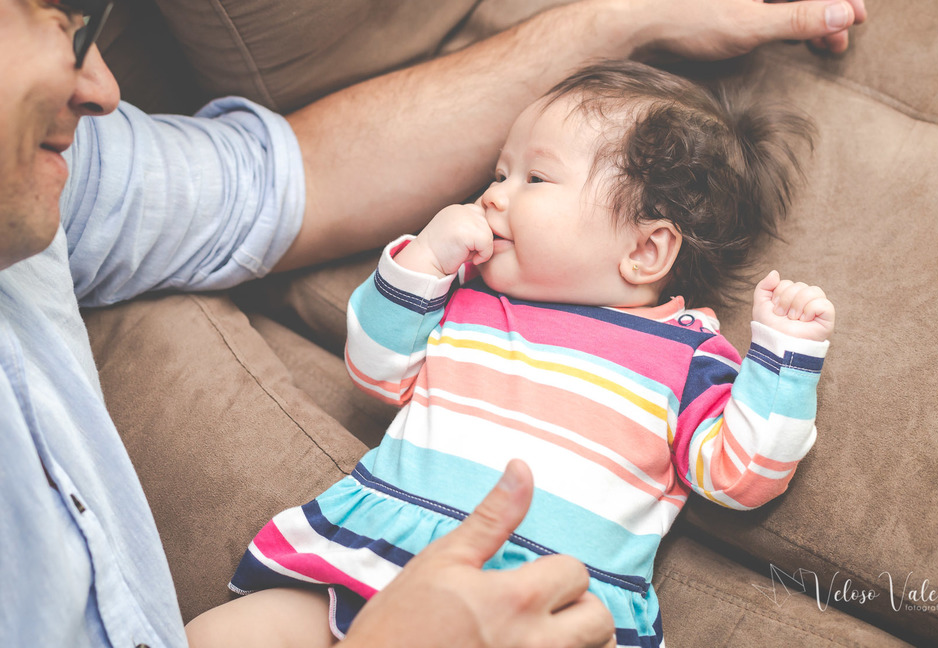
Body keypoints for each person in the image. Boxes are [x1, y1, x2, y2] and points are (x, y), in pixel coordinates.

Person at [0, 0, 864, 644]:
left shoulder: (17, 180)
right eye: (69, 16)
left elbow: (285, 177)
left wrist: (636, 16)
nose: (105, 88)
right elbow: (384, 353)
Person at [196, 61, 836, 648]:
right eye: (500, 173)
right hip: (382, 555)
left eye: (536, 178)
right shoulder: (465, 296)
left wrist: (784, 358)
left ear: (645, 251)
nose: (494, 195)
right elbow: (375, 368)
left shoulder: (685, 356)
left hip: (544, 611)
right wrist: (425, 257)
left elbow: (738, 477)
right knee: (231, 633)